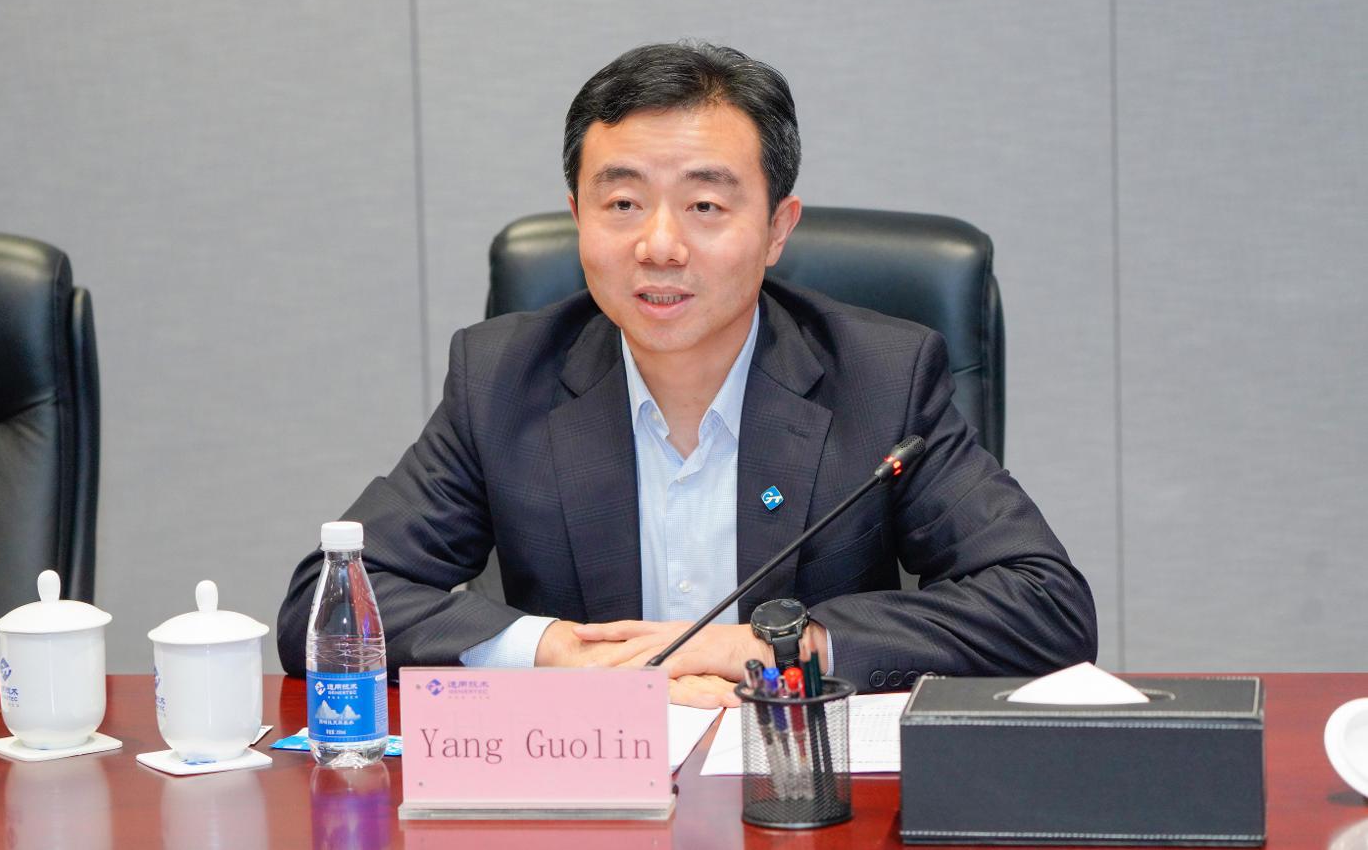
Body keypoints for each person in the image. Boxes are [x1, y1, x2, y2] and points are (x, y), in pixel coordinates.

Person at [278, 42, 1098, 707]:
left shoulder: (880, 379)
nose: (659, 246)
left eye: (705, 206)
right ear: (577, 218)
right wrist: (558, 652)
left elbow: (1045, 606)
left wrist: (766, 647)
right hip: (587, 793)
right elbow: (328, 600)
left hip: (799, 790)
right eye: (622, 204)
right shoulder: (502, 379)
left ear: (776, 229)